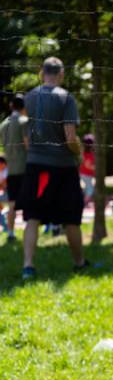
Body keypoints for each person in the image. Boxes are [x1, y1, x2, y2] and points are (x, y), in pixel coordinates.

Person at [19, 57, 89, 279]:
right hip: (62, 166)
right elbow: (70, 137)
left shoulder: (28, 97)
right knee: (71, 218)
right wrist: (79, 153)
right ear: (61, 74)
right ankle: (79, 263)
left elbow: (26, 135)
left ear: (42, 73)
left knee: (32, 217)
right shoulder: (66, 98)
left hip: (36, 166)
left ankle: (28, 266)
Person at [0, 93, 29, 242]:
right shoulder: (24, 121)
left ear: (12, 106)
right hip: (25, 169)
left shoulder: (4, 124)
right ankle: (29, 233)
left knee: (11, 203)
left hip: (10, 169)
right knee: (30, 202)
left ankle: (11, 233)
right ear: (24, 106)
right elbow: (27, 144)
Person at [79, 134, 96, 204]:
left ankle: (81, 200)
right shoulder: (89, 154)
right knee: (90, 190)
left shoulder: (84, 153)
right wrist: (95, 168)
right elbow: (87, 165)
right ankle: (83, 203)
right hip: (86, 175)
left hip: (84, 174)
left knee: (86, 189)